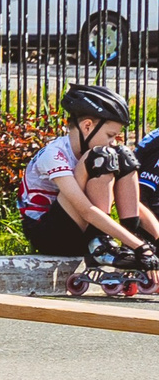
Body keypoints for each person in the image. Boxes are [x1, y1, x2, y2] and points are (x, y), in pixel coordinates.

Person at [21, 83, 154, 292]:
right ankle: (100, 246)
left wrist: (150, 240)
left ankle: (115, 245)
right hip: (49, 234)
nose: (112, 141)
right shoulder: (54, 155)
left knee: (122, 156)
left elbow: (132, 202)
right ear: (87, 126)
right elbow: (84, 209)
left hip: (81, 227)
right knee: (102, 157)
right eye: (110, 135)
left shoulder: (95, 152)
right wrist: (141, 246)